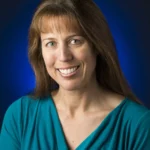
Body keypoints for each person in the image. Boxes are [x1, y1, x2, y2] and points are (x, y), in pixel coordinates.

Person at [0, 0, 150, 149]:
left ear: (97, 46)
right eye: (51, 43)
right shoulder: (20, 116)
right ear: (40, 52)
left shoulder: (138, 124)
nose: (64, 56)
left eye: (75, 41)